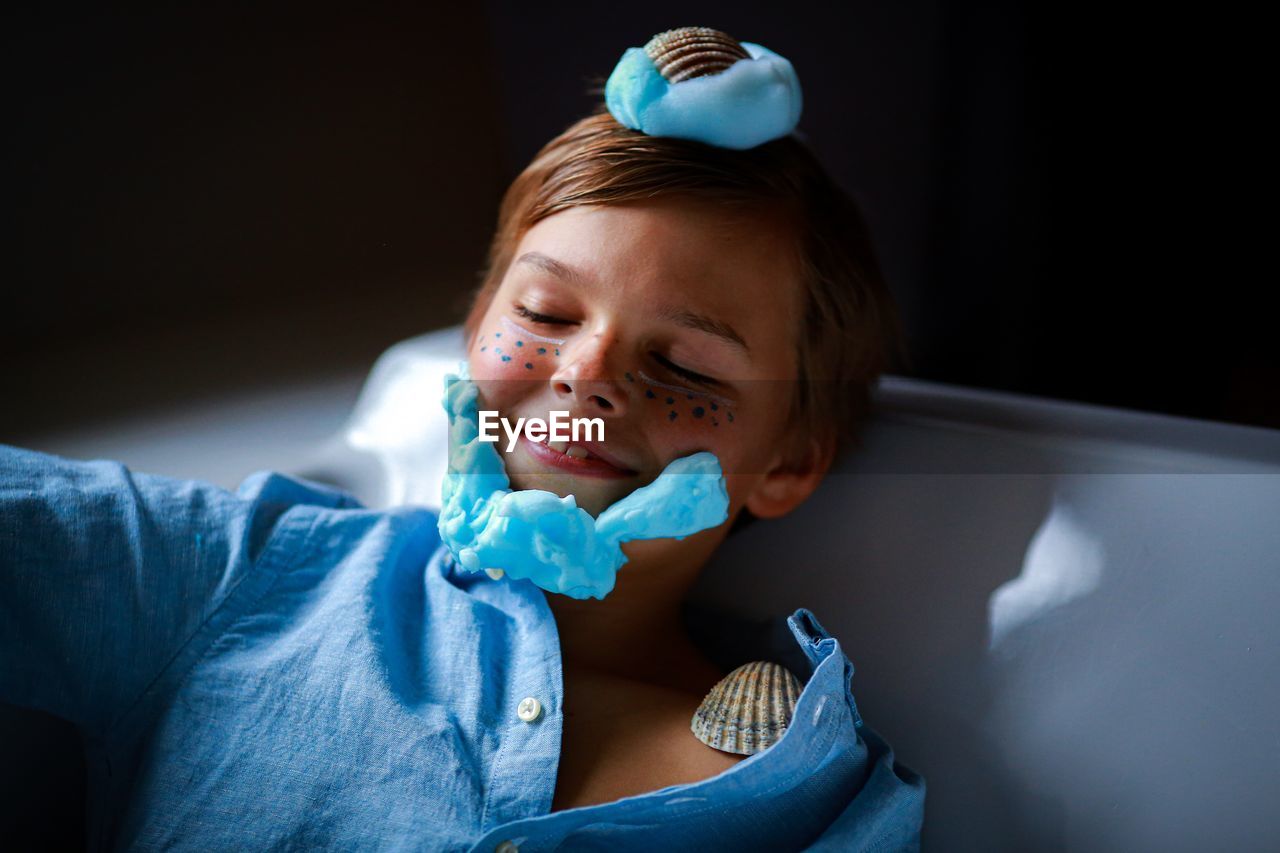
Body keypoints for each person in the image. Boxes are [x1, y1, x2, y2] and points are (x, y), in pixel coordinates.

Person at [0, 28, 925, 851]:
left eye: (685, 364)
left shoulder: (812, 791)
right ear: (476, 329)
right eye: (544, 311)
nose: (587, 373)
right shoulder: (238, 573)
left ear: (791, 461)